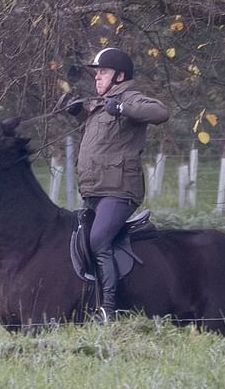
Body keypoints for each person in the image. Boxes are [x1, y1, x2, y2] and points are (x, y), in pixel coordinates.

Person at [66, 48, 170, 323]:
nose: (97, 78)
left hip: (119, 190)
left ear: (119, 76)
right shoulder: (99, 106)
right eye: (96, 73)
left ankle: (108, 310)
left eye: (103, 72)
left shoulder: (128, 98)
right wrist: (78, 115)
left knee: (99, 239)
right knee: (81, 242)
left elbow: (160, 112)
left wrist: (123, 107)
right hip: (94, 190)